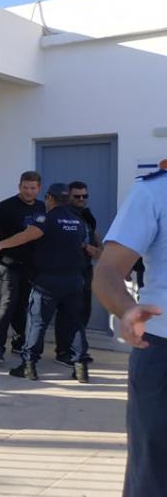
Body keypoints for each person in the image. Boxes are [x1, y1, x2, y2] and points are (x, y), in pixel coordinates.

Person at [92, 166, 166, 497]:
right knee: (155, 475)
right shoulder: (154, 193)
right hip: (162, 351)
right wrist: (126, 309)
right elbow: (108, 270)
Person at [0, 183, 90, 382]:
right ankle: (81, 368)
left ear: (49, 197)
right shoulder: (77, 221)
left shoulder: (46, 219)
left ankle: (29, 366)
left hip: (49, 281)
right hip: (75, 280)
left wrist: (0, 244)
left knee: (37, 323)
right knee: (75, 323)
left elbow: (25, 236)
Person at [0, 171, 45, 363]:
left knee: (23, 305)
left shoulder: (42, 207)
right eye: (25, 187)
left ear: (39, 188)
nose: (28, 191)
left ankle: (19, 343)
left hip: (31, 266)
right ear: (19, 186)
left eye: (32, 188)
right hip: (7, 263)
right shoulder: (5, 206)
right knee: (6, 304)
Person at [54, 181, 101, 365]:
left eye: (84, 196)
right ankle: (63, 351)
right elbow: (60, 238)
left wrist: (99, 250)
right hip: (67, 270)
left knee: (83, 311)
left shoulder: (86, 215)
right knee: (67, 312)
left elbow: (94, 235)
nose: (81, 199)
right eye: (77, 196)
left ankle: (79, 350)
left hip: (85, 269)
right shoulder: (63, 215)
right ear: (68, 197)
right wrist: (84, 246)